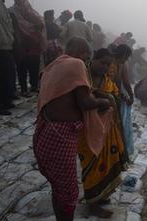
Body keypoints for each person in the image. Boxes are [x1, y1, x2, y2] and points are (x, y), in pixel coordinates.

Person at [33, 37, 110, 221]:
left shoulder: (53, 65)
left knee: (58, 188)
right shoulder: (75, 63)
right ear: (80, 52)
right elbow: (84, 102)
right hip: (60, 135)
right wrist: (103, 102)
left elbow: (68, 94)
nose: (86, 62)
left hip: (45, 133)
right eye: (86, 57)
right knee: (68, 192)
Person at [78, 48, 128, 218]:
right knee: (91, 165)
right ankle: (92, 203)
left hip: (108, 129)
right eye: (102, 63)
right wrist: (101, 97)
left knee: (107, 162)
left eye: (108, 65)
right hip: (88, 129)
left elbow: (116, 97)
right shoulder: (82, 75)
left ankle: (101, 195)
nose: (105, 67)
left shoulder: (107, 80)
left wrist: (107, 97)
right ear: (94, 59)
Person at [10, 0, 47, 96]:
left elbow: (41, 24)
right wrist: (32, 27)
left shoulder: (32, 12)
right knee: (21, 68)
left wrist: (36, 28)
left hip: (34, 45)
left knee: (34, 68)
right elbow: (16, 26)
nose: (19, 1)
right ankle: (23, 89)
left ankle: (34, 86)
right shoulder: (12, 12)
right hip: (21, 44)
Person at [110, 44, 135, 157]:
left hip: (116, 97)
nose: (126, 60)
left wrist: (126, 96)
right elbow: (109, 84)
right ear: (123, 55)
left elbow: (122, 83)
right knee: (114, 127)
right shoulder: (111, 64)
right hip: (109, 98)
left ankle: (119, 151)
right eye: (126, 57)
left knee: (117, 126)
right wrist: (129, 96)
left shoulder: (120, 64)